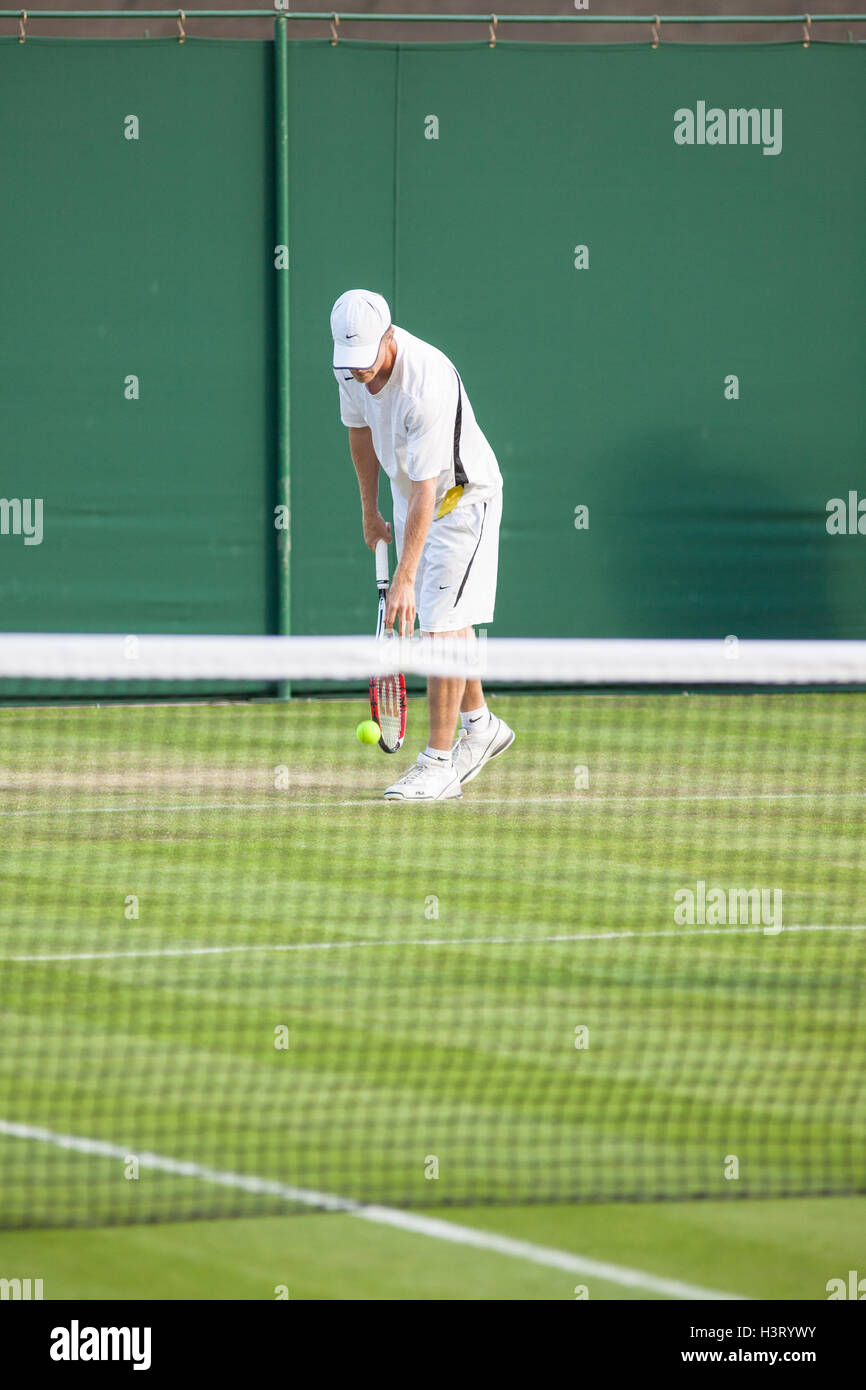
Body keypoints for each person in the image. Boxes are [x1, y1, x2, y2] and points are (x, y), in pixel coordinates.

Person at [331, 288, 513, 801]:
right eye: (350, 363)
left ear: (388, 338)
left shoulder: (424, 384)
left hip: (461, 500)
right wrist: (369, 511)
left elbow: (430, 490)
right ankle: (480, 725)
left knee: (439, 628)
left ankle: (439, 765)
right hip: (411, 496)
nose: (358, 371)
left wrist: (405, 578)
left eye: (366, 359)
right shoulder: (351, 367)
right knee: (447, 623)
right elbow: (359, 431)